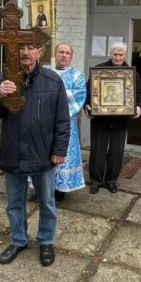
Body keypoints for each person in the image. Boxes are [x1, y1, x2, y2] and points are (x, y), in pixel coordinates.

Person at [0, 43, 69, 267]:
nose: (25, 52)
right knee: (14, 202)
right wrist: (0, 97)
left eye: (31, 48)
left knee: (47, 201)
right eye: (21, 48)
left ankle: (46, 240)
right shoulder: (2, 79)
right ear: (14, 51)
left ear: (40, 52)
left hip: (42, 153)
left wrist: (59, 150)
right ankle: (18, 240)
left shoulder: (52, 80)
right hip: (13, 152)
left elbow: (62, 119)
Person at [85, 41, 141, 194]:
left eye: (121, 55)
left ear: (125, 55)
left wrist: (139, 106)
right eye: (115, 54)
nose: (118, 57)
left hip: (120, 120)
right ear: (110, 54)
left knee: (116, 152)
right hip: (100, 119)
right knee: (97, 150)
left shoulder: (132, 73)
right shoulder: (99, 70)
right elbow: (87, 91)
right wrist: (87, 105)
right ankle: (96, 181)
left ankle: (111, 180)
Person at [45, 43, 87, 201]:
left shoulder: (77, 76)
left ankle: (59, 190)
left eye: (67, 53)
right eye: (60, 52)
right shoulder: (45, 71)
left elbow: (78, 96)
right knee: (43, 154)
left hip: (65, 124)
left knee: (62, 154)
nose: (63, 55)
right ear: (55, 54)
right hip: (44, 123)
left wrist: (53, 96)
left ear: (71, 56)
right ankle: (40, 188)